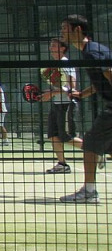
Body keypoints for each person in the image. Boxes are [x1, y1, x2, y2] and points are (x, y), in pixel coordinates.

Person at [60, 15, 112, 203]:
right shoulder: (91, 51)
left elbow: (110, 74)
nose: (62, 32)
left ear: (78, 30)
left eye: (65, 28)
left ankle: (89, 192)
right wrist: (82, 94)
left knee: (89, 142)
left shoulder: (92, 52)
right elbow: (102, 80)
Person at [39, 37, 82, 174]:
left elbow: (71, 87)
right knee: (53, 135)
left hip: (67, 104)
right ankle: (62, 164)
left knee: (66, 136)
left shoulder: (65, 63)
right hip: (56, 104)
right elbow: (59, 87)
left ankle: (95, 150)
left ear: (62, 48)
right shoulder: (55, 64)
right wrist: (49, 92)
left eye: (54, 45)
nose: (51, 47)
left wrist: (51, 93)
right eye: (50, 45)